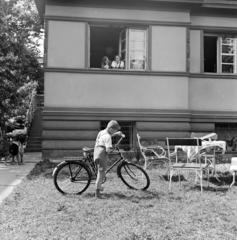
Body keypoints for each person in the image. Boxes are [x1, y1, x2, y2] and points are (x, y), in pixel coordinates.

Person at [93, 120, 122, 198]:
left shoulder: (102, 132)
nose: (115, 131)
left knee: (101, 172)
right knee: (101, 174)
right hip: (101, 155)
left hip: (96, 152)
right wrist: (113, 148)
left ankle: (99, 187)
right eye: (115, 130)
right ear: (111, 129)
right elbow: (108, 150)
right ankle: (97, 193)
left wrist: (116, 134)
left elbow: (106, 136)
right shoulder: (108, 137)